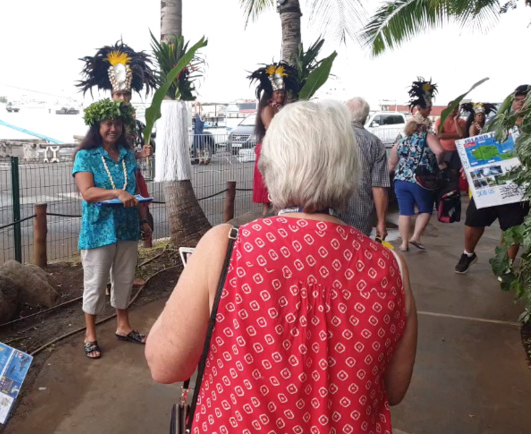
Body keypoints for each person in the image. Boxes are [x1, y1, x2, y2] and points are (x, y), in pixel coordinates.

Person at [146, 100, 417, 434]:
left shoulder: (226, 247)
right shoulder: (390, 267)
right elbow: (394, 390)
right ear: (350, 168)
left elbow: (165, 364)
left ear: (270, 165)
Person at [73, 99, 152, 360]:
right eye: (108, 123)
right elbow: (87, 192)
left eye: (117, 123)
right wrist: (116, 192)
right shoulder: (86, 156)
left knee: (124, 278)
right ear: (97, 126)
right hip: (99, 230)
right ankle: (90, 334)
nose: (113, 128)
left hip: (127, 227)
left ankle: (123, 326)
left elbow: (136, 191)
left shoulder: (128, 155)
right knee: (95, 283)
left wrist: (144, 221)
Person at [78, 40, 157, 250]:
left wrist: (140, 155)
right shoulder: (101, 123)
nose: (122, 98)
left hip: (130, 172)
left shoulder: (133, 120)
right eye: (118, 94)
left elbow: (125, 152)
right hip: (106, 180)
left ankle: (145, 247)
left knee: (142, 211)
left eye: (126, 94)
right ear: (112, 95)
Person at [456, 85, 529, 274]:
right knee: (473, 220)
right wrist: (468, 166)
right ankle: (468, 253)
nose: (520, 103)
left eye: (524, 99)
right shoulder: (497, 122)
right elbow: (478, 146)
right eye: (517, 99)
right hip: (488, 182)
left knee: (512, 228)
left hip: (517, 187)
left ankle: (506, 266)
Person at [389, 78, 446, 252]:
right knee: (425, 209)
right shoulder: (427, 137)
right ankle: (415, 237)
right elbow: (439, 151)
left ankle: (404, 243)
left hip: (400, 181)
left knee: (404, 212)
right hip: (421, 180)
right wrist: (440, 164)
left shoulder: (401, 141)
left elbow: (392, 163)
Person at [248, 62, 301, 216]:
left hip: (276, 149)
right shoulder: (267, 109)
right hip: (269, 150)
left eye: (282, 92)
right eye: (277, 92)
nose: (280, 95)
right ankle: (266, 218)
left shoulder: (279, 109)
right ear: (270, 93)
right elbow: (272, 129)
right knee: (268, 191)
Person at [343, 97, 390, 238]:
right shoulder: (374, 143)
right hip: (361, 216)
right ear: (365, 117)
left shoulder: (329, 138)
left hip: (329, 213)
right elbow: (379, 187)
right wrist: (381, 222)